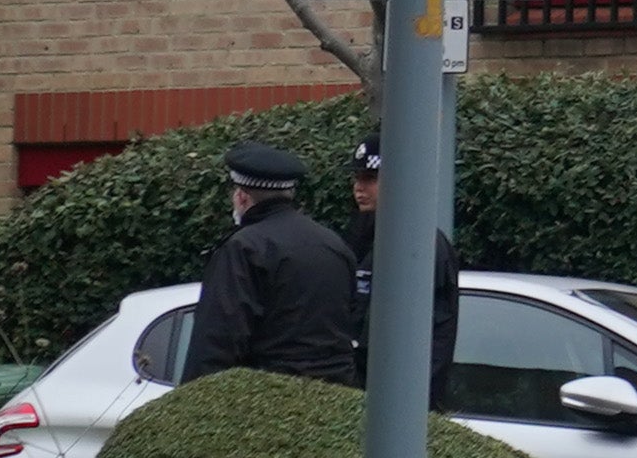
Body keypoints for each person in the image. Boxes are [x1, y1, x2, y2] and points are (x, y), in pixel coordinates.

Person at [185, 140, 365, 385]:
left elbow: (218, 339)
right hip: (335, 397)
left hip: (268, 398)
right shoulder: (334, 245)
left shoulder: (244, 248)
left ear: (241, 196)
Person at [343, 138, 462, 371]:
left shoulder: (419, 244)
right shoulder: (363, 234)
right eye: (357, 178)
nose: (359, 187)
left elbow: (431, 332)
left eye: (370, 179)